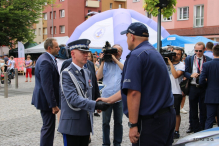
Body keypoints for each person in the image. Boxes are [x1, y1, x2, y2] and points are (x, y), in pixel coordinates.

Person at [98, 22, 175, 146]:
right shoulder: (154, 52)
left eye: (127, 36)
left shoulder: (136, 55)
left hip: (150, 121)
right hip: (166, 117)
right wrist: (109, 100)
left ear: (132, 36)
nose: (127, 40)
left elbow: (133, 92)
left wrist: (133, 124)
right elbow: (131, 88)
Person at [58, 39, 110, 145]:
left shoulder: (87, 73)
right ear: (73, 54)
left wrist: (97, 102)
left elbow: (89, 94)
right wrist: (95, 104)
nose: (86, 55)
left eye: (87, 52)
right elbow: (73, 99)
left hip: (85, 125)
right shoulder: (67, 73)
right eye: (83, 52)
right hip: (72, 126)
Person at [31, 38, 60, 146]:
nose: (59, 49)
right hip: (46, 101)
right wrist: (53, 105)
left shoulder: (47, 58)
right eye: (56, 47)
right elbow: (47, 86)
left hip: (45, 100)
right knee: (48, 128)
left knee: (48, 127)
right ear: (49, 48)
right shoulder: (45, 61)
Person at [96, 44, 124, 146]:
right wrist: (102, 61)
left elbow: (126, 70)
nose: (116, 52)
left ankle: (117, 143)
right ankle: (106, 143)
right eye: (114, 50)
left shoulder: (123, 63)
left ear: (121, 53)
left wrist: (115, 60)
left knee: (118, 122)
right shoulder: (106, 64)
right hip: (106, 97)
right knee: (105, 122)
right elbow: (98, 77)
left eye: (118, 51)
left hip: (118, 98)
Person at [184, 42, 212, 133]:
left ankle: (202, 127)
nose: (198, 53)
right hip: (193, 86)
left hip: (203, 87)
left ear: (204, 50)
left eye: (200, 51)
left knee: (203, 109)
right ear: (194, 49)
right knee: (193, 108)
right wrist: (191, 75)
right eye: (196, 50)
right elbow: (185, 72)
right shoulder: (189, 59)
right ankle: (194, 127)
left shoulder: (208, 59)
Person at [166, 47, 185, 139]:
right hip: (166, 92)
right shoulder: (165, 63)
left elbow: (176, 75)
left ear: (181, 56)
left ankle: (176, 131)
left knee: (176, 113)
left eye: (178, 54)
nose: (176, 56)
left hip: (176, 92)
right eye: (175, 53)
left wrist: (170, 63)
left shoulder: (181, 65)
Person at [199, 44, 219, 129]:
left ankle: (207, 139)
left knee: (209, 120)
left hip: (210, 95)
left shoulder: (207, 65)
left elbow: (201, 81)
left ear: (213, 53)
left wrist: (207, 86)